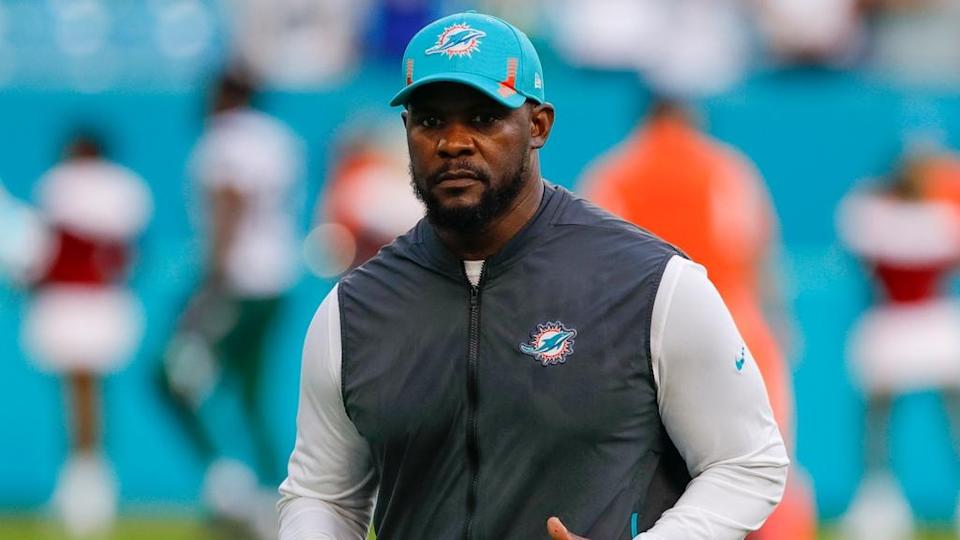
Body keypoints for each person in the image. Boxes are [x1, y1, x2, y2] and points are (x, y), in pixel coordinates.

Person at [278, 12, 788, 540]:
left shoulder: (651, 283)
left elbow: (747, 462)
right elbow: (323, 495)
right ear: (407, 131)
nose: (453, 142)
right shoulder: (354, 309)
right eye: (431, 121)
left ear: (538, 125)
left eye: (482, 118)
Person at [583, 98, 816, 539]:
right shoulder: (725, 167)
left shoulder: (615, 170)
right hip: (732, 323)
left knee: (663, 468)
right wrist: (779, 319)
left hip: (644, 330)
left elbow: (594, 263)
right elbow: (757, 246)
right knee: (763, 457)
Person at [156, 71, 304, 538]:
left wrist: (211, 283)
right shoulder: (279, 138)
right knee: (250, 391)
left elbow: (230, 202)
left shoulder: (224, 139)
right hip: (276, 280)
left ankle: (230, 483)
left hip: (234, 282)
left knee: (168, 375)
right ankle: (267, 496)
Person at [21, 132, 152, 538]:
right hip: (102, 303)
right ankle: (85, 480)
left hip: (77, 304)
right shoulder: (128, 189)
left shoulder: (61, 186)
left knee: (80, 393)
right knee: (84, 395)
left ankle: (87, 487)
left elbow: (47, 253)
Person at [837, 153, 960, 540]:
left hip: (893, 329)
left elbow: (856, 242)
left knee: (879, 422)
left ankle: (879, 502)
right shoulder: (943, 220)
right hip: (931, 329)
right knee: (931, 418)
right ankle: (879, 502)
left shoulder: (872, 217)